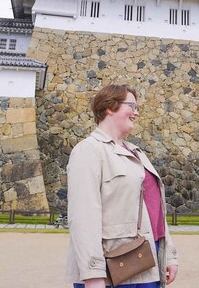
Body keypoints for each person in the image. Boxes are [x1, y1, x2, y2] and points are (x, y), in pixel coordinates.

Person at [66, 84, 179, 287]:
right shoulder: (89, 151)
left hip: (146, 260)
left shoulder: (137, 153)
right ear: (110, 106)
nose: (136, 113)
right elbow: (83, 217)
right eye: (132, 106)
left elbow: (154, 211)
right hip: (111, 265)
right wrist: (93, 275)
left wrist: (169, 256)